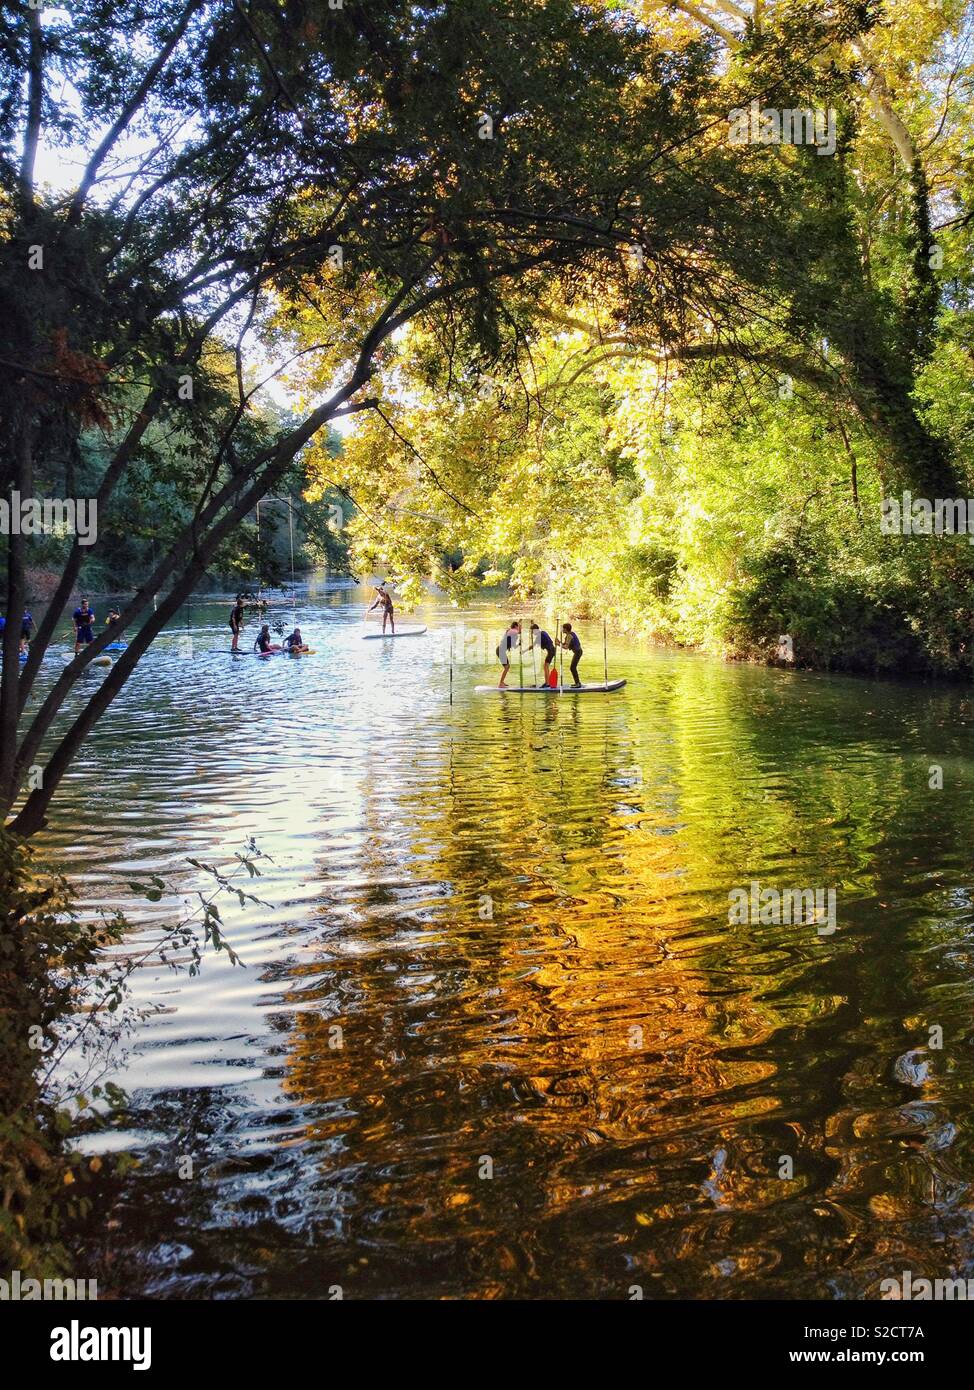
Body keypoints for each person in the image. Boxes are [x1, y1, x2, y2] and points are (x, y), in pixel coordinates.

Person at [528, 622, 556, 688]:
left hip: (551, 651)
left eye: (532, 631)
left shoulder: (539, 636)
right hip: (552, 650)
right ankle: (547, 682)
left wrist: (524, 651)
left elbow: (533, 646)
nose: (532, 633)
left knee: (545, 666)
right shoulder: (543, 632)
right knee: (546, 666)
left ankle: (547, 683)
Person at [496, 619, 521, 688]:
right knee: (507, 667)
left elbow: (514, 646)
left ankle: (502, 682)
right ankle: (500, 683)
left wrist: (519, 644)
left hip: (501, 651)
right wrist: (520, 625)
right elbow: (518, 632)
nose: (518, 628)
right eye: (517, 627)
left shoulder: (512, 635)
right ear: (515, 626)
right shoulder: (511, 631)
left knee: (507, 667)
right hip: (500, 650)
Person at [558, 622, 583, 687]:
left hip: (578, 652)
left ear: (566, 629)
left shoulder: (569, 636)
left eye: (563, 628)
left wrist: (558, 644)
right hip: (578, 652)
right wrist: (559, 642)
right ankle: (577, 683)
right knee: (572, 667)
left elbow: (566, 647)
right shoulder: (571, 634)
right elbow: (566, 644)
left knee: (572, 667)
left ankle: (578, 683)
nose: (562, 630)